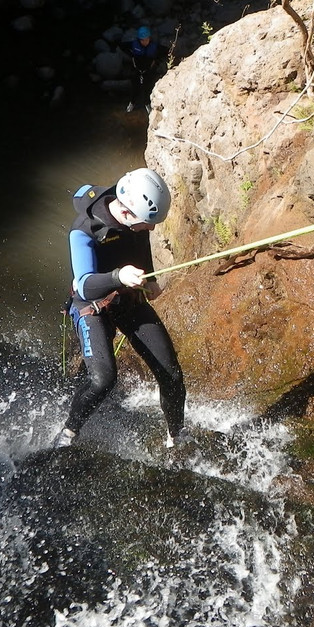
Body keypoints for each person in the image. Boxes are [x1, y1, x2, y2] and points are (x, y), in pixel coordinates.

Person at [53, 167, 187, 449]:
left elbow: (141, 242)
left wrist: (148, 277)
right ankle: (68, 434)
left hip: (127, 297)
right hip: (93, 306)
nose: (151, 229)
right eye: (147, 223)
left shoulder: (134, 215)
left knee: (171, 375)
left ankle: (177, 437)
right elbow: (84, 286)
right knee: (103, 380)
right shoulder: (84, 231)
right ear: (126, 214)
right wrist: (118, 276)